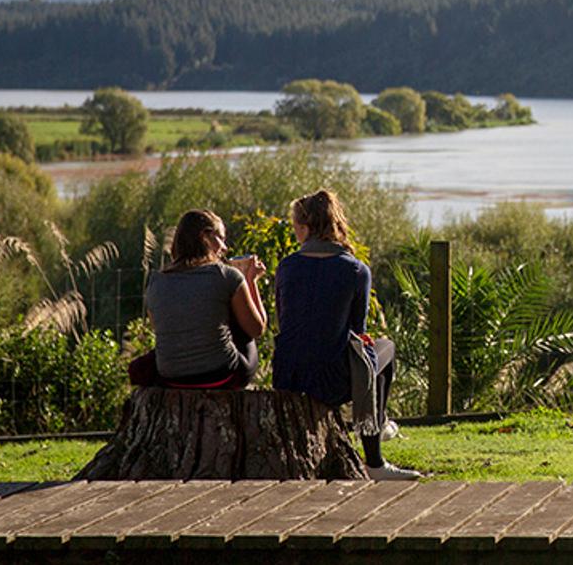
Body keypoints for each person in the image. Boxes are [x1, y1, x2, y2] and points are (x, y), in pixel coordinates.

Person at [273, 188, 419, 480]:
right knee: (382, 350)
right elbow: (358, 333)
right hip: (330, 382)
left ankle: (378, 426)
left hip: (287, 376)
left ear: (305, 228)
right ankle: (375, 454)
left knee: (366, 355)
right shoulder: (355, 271)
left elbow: (284, 321)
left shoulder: (286, 267)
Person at [131, 209, 267, 389]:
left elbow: (160, 329)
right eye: (221, 238)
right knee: (241, 329)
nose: (225, 248)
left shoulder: (156, 282)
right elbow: (257, 329)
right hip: (221, 376)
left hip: (171, 378)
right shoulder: (226, 276)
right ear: (205, 237)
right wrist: (250, 280)